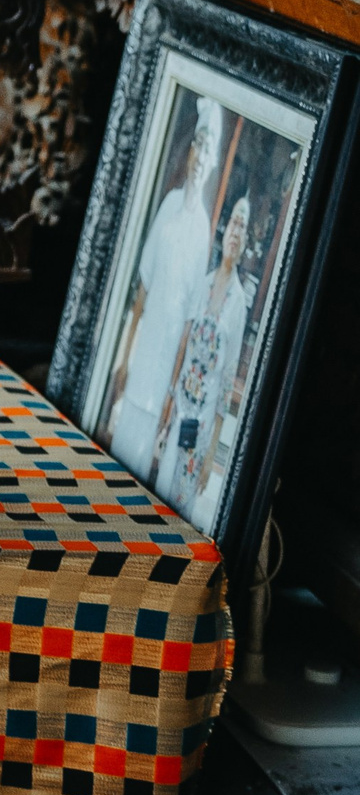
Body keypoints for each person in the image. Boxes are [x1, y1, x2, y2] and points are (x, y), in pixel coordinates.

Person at [101, 98, 222, 485]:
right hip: (141, 357)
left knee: (138, 470)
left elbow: (188, 324)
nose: (201, 157)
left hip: (163, 376)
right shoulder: (169, 205)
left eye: (209, 149)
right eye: (198, 145)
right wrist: (124, 360)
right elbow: (143, 291)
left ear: (213, 163)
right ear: (190, 153)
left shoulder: (202, 231)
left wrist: (173, 395)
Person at [154, 192, 251, 532]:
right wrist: (167, 409)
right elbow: (182, 346)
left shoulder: (238, 304)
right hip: (180, 407)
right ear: (225, 231)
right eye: (234, 222)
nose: (236, 231)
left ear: (245, 241)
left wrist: (211, 453)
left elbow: (227, 379)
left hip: (204, 421)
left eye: (243, 226)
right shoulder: (204, 283)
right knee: (158, 489)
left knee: (181, 505)